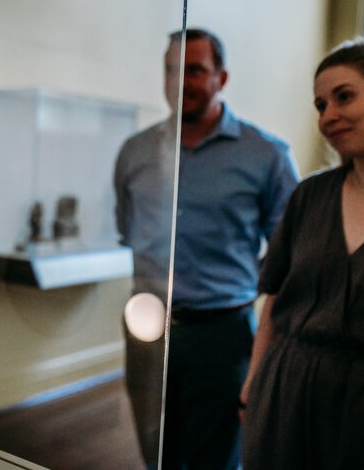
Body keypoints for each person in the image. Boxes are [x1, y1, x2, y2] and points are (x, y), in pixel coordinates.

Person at [114, 28, 299, 469]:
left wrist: (245, 284)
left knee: (214, 459)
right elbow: (128, 229)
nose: (182, 81)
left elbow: (290, 248)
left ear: (222, 78)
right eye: (172, 70)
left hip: (223, 336)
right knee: (155, 452)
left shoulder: (266, 155)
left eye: (195, 70)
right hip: (147, 331)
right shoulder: (135, 152)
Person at [241, 41, 364, 469]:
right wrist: (253, 385)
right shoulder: (310, 195)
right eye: (320, 104)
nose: (328, 116)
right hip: (280, 396)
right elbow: (275, 298)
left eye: (344, 97)